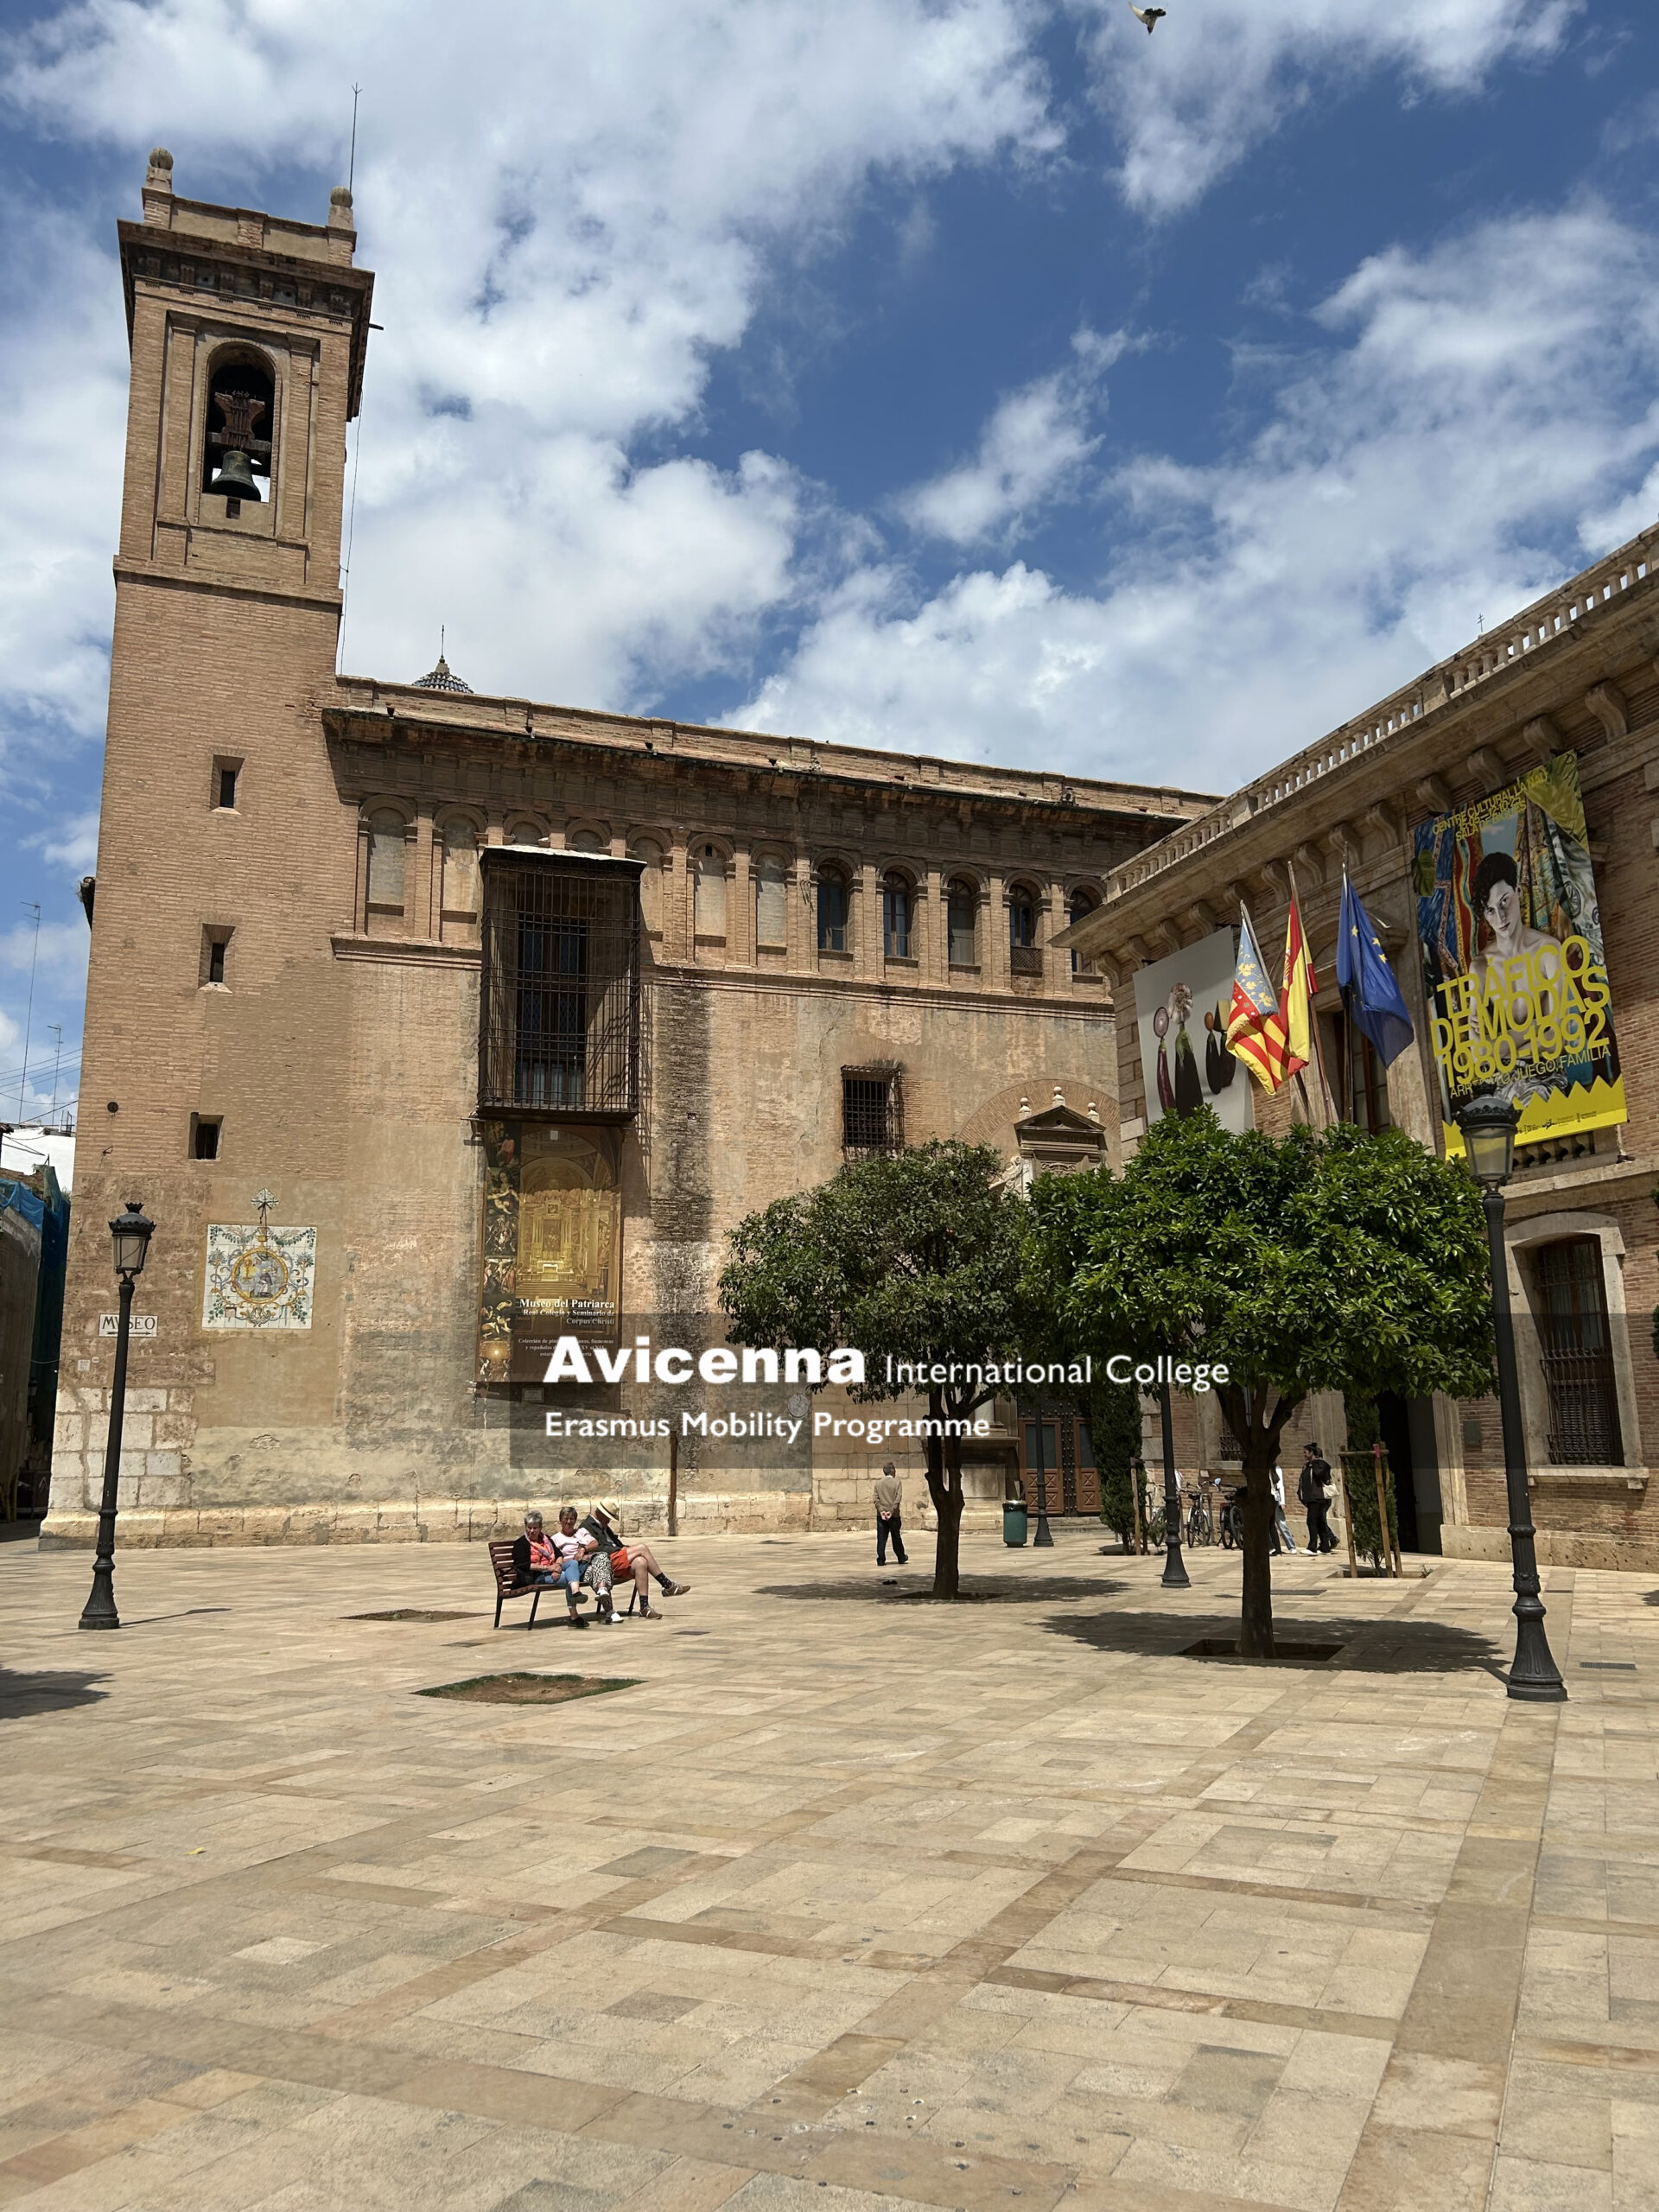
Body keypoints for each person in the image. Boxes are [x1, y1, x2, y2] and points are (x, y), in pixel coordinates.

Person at [580, 1501, 690, 1621]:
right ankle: (667, 1585)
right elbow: (598, 1548)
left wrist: (624, 1549)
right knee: (642, 1548)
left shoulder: (602, 1524)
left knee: (641, 1562)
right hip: (604, 1562)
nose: (609, 1520)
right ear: (600, 1513)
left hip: (616, 1557)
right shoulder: (587, 1527)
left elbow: (614, 1542)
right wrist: (622, 1550)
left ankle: (644, 1607)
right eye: (608, 1517)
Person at [513, 1509, 590, 1627]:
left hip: (553, 1568)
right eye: (529, 1527)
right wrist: (548, 1568)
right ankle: (574, 1616)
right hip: (539, 1575)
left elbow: (559, 1554)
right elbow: (522, 1565)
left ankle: (576, 1592)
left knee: (573, 1563)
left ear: (540, 1528)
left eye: (535, 1528)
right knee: (569, 1578)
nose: (532, 1531)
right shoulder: (521, 1543)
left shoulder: (546, 1539)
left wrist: (558, 1566)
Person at [1298, 1443, 1336, 1554]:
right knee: (1320, 1522)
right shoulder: (1307, 1466)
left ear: (1312, 1453)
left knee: (1311, 1521)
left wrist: (1315, 1462)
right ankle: (1325, 1547)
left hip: (1318, 1498)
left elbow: (1321, 1475)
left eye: (1305, 1452)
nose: (1304, 1455)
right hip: (1310, 1498)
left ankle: (1312, 1547)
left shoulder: (1320, 1464)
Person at [874, 1459, 906, 1566]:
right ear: (892, 1471)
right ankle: (901, 1557)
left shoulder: (878, 1483)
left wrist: (882, 1511)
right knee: (896, 1536)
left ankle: (881, 1559)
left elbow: (876, 1500)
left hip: (881, 1516)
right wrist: (891, 1511)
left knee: (881, 1538)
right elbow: (898, 1499)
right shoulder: (897, 1483)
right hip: (894, 1515)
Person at [1269, 1465, 1298, 1555]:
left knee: (1281, 1523)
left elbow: (1280, 1485)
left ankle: (1291, 1546)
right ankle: (1273, 1547)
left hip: (1276, 1498)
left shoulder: (1276, 1468)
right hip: (1268, 1499)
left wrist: (1282, 1502)